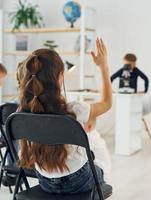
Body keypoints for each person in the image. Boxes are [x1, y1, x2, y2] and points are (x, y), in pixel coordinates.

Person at [17, 38, 112, 194]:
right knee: (101, 156)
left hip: (44, 180)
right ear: (59, 77)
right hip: (79, 180)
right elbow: (107, 103)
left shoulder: (22, 112)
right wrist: (103, 67)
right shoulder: (73, 109)